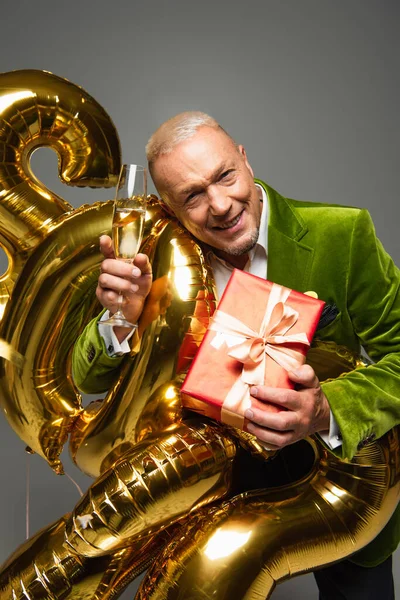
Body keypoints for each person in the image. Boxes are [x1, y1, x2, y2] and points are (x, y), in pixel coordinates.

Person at [72, 112, 400, 599]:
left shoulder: (342, 234)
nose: (221, 205)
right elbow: (88, 378)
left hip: (337, 483)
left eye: (224, 176)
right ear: (169, 206)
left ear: (244, 159)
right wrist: (123, 317)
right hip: (216, 494)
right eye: (193, 196)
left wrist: (327, 409)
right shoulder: (155, 260)